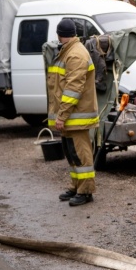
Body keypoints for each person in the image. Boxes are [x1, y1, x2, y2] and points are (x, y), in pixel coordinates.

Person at [47, 19, 98, 206]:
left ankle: (86, 192)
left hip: (76, 116)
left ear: (60, 35)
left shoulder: (75, 54)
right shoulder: (68, 51)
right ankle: (76, 186)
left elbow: (72, 89)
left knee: (81, 154)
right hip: (72, 116)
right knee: (72, 153)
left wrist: (61, 116)